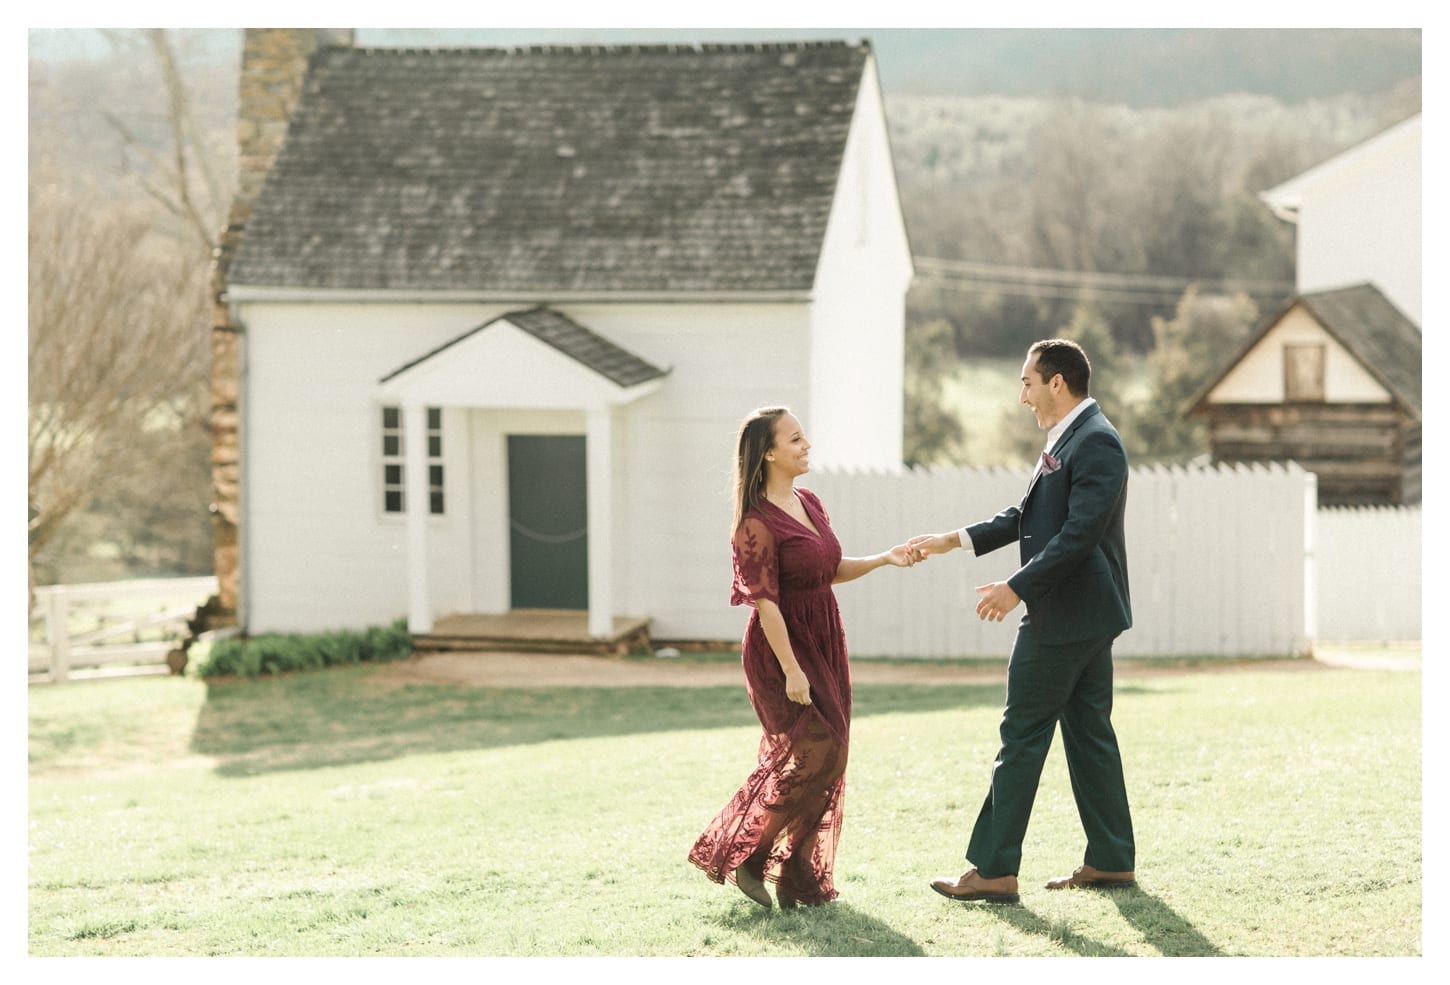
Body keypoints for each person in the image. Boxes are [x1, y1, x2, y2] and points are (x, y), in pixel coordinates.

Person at [908, 339, 1136, 905]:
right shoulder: (1075, 436)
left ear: (1057, 383)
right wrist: (953, 540)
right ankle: (1110, 860)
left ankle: (993, 869)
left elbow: (1078, 536)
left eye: (1027, 383)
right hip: (1083, 614)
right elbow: (1029, 515)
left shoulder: (1098, 442)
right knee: (1089, 736)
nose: (1022, 396)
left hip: (1066, 614)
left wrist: (1016, 588)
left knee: (1021, 736)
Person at [689, 406, 917, 909]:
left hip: (823, 638)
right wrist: (792, 669)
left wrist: (883, 558)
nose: (806, 445)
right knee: (818, 750)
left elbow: (827, 570)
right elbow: (765, 603)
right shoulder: (754, 524)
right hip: (781, 649)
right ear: (769, 453)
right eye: (795, 439)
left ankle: (796, 877)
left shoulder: (809, 502)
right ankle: (752, 855)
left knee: (831, 756)